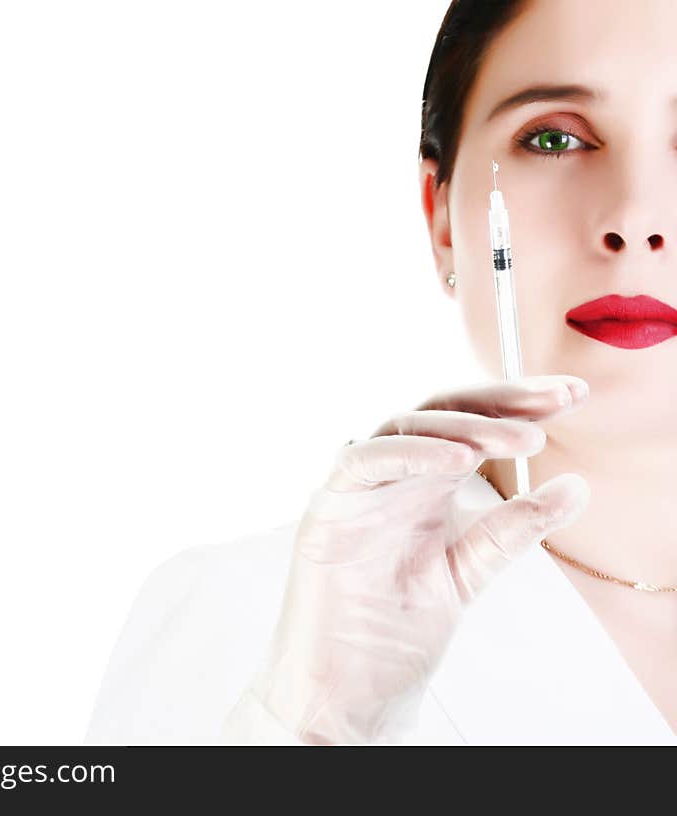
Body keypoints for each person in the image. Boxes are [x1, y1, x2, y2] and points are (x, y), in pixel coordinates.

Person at [84, 0, 677, 745]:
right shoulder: (261, 623)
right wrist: (312, 730)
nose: (634, 216)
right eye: (553, 137)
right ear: (444, 221)